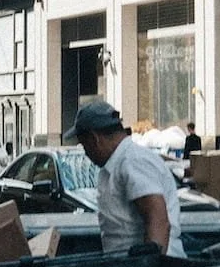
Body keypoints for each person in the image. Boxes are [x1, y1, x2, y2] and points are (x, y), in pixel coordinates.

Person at [65, 100, 183, 258]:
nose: (86, 153)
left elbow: (158, 220)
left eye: (85, 146)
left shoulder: (132, 162)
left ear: (95, 139)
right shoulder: (117, 164)